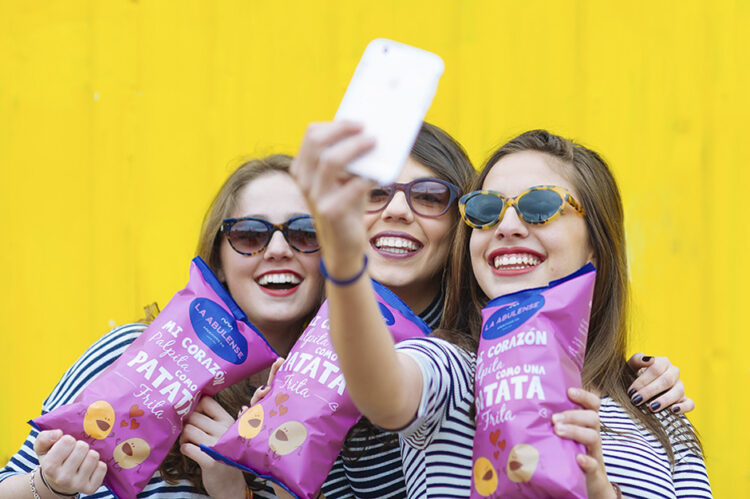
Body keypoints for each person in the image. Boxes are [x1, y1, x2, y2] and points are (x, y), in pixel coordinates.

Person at [291, 123, 705, 498]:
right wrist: (346, 263)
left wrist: (598, 490)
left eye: (540, 206)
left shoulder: (661, 416)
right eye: (485, 210)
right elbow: (384, 393)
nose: (506, 225)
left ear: (595, 240)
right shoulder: (452, 368)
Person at [0, 155, 324, 499]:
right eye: (249, 235)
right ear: (220, 262)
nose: (277, 250)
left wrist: (233, 489)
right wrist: (52, 485)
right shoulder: (129, 349)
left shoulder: (337, 403)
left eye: (305, 233)